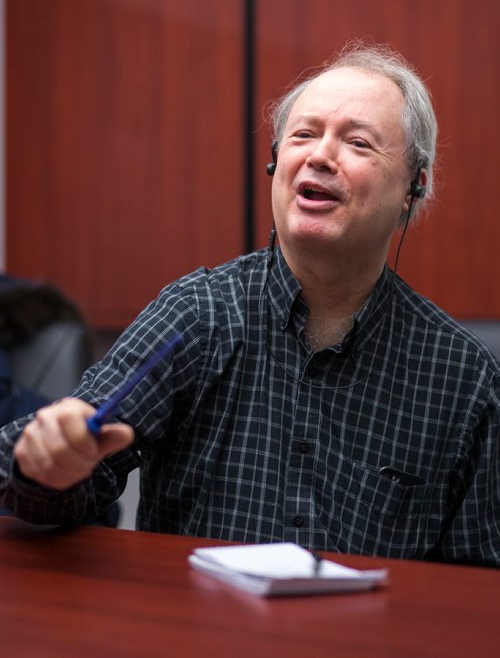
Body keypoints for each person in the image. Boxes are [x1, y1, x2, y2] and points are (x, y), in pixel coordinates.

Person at [0, 43, 498, 566]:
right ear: (275, 163)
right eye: (303, 135)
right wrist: (48, 465)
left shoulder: (462, 377)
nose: (319, 155)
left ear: (412, 189)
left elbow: (480, 589)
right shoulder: (198, 314)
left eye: (357, 142)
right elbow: (49, 476)